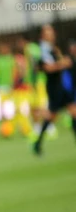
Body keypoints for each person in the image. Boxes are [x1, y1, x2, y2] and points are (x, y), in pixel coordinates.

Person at [32, 24, 76, 155]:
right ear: (43, 35)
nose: (51, 35)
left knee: (73, 112)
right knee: (52, 116)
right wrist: (63, 64)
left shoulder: (52, 47)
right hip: (54, 87)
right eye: (48, 33)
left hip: (61, 86)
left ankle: (37, 143)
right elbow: (47, 68)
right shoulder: (43, 49)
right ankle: (37, 143)